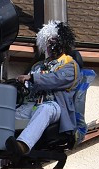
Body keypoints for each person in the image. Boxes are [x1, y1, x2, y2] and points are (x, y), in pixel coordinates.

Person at [5, 20, 86, 158]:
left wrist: (32, 78)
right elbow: (30, 86)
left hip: (56, 106)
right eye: (48, 42)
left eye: (53, 41)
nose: (51, 45)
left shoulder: (70, 66)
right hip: (33, 105)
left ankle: (23, 145)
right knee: (7, 115)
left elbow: (55, 79)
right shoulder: (38, 66)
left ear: (62, 41)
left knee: (45, 110)